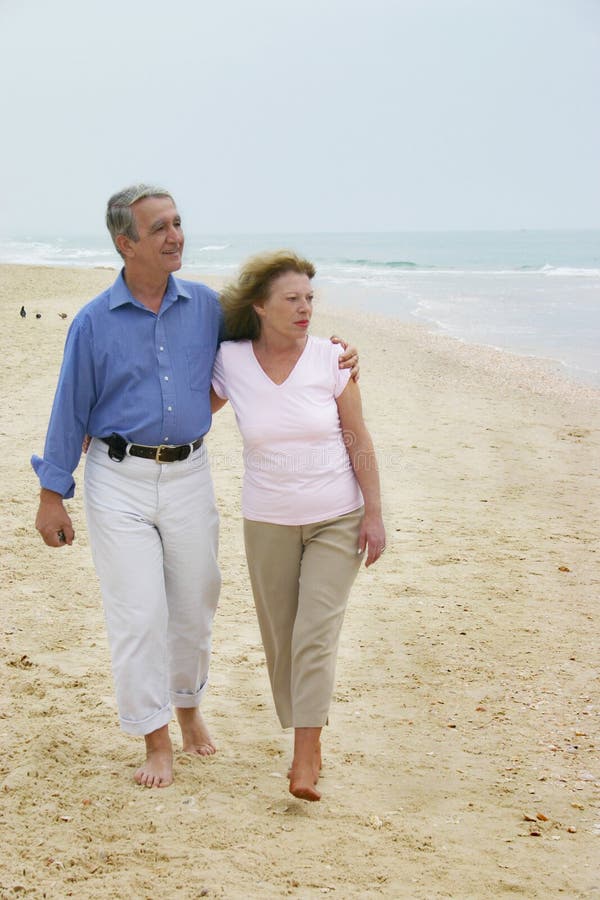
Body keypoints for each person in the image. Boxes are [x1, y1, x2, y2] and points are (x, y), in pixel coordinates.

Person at [31, 184, 358, 790]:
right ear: (125, 243)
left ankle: (187, 708)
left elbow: (277, 335)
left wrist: (339, 353)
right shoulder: (93, 324)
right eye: (159, 228)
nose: (175, 235)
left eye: (177, 223)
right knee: (138, 612)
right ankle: (155, 739)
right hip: (117, 479)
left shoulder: (209, 307)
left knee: (195, 603)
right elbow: (69, 407)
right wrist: (54, 493)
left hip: (189, 474)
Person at [210, 251, 386, 801]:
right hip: (267, 519)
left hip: (338, 515)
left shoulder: (331, 359)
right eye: (292, 299)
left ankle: (304, 756)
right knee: (283, 638)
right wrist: (111, 429)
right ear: (260, 306)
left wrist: (375, 512)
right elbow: (186, 412)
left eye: (310, 298)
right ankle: (307, 733)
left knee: (316, 632)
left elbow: (357, 437)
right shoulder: (230, 361)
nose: (305, 308)